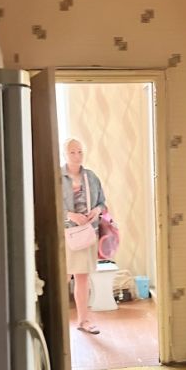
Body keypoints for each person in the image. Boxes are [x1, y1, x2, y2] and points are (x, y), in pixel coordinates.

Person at [62, 137, 106, 334]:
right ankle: (55, 322)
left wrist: (96, 211)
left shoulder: (91, 177)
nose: (77, 155)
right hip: (66, 233)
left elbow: (102, 203)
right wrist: (71, 215)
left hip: (87, 233)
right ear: (65, 154)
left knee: (82, 277)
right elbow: (48, 204)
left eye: (80, 151)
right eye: (72, 152)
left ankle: (83, 320)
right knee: (62, 276)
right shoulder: (57, 177)